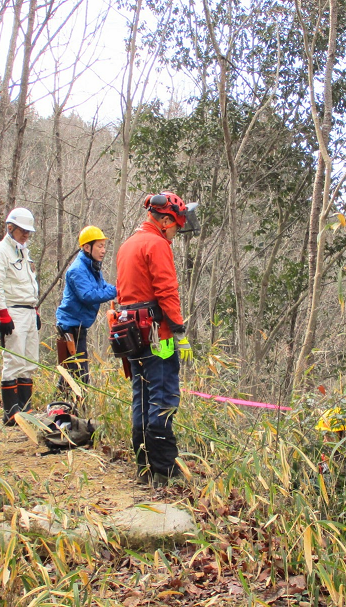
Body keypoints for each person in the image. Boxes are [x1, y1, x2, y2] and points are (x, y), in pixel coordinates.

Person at [115, 192, 198, 486]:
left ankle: (144, 464)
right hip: (156, 335)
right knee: (162, 395)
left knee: (142, 396)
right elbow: (166, 291)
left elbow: (122, 294)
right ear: (164, 221)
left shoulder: (127, 245)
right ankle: (164, 469)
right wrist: (179, 333)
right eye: (176, 226)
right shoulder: (157, 244)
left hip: (131, 336)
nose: (176, 234)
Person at [0, 207, 40, 425]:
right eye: (22, 231)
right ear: (10, 228)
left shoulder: (24, 252)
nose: (26, 235)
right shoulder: (0, 251)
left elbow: (29, 283)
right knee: (14, 361)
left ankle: (24, 411)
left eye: (28, 231)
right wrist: (3, 313)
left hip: (28, 309)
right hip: (13, 310)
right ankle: (11, 413)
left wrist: (35, 310)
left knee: (29, 362)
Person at [55, 226, 117, 398]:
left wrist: (121, 288)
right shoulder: (77, 270)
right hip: (69, 329)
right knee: (76, 375)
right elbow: (88, 295)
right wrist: (116, 292)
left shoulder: (94, 267)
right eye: (99, 246)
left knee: (75, 375)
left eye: (104, 246)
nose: (103, 250)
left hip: (79, 328)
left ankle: (66, 410)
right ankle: (63, 410)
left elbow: (103, 287)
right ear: (87, 247)